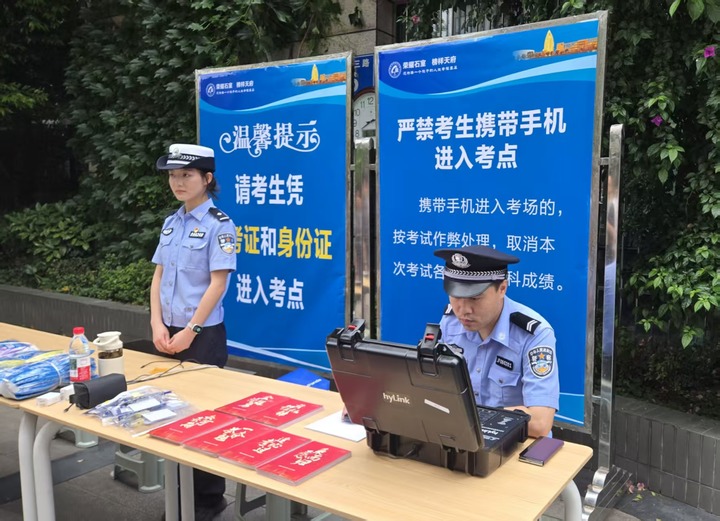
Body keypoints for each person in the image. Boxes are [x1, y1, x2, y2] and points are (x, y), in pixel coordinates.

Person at [150, 143, 236, 520]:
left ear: (207, 178)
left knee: (203, 417)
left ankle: (208, 499)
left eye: (186, 175)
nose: (178, 182)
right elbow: (158, 276)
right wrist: (155, 322)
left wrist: (191, 330)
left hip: (203, 336)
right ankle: (179, 496)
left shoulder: (220, 224)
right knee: (170, 413)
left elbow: (218, 284)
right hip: (167, 331)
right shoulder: (171, 222)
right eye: (173, 175)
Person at [435, 245, 558, 438]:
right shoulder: (450, 322)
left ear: (502, 288)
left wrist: (472, 415)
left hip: (517, 443)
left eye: (475, 298)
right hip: (464, 438)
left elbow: (540, 423)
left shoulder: (535, 335)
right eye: (456, 296)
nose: (463, 310)